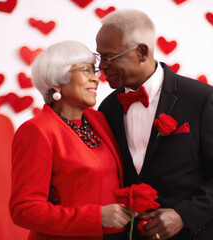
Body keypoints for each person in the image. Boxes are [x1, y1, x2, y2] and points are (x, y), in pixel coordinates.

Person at [96, 9, 213, 240]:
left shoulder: (201, 98)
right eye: (99, 57)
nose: (102, 66)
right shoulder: (107, 108)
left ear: (142, 52)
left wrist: (182, 216)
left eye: (110, 57)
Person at [9, 40, 134, 240]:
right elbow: (24, 210)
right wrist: (96, 217)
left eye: (95, 71)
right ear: (57, 80)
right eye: (86, 71)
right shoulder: (36, 131)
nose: (96, 79)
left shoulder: (100, 120)